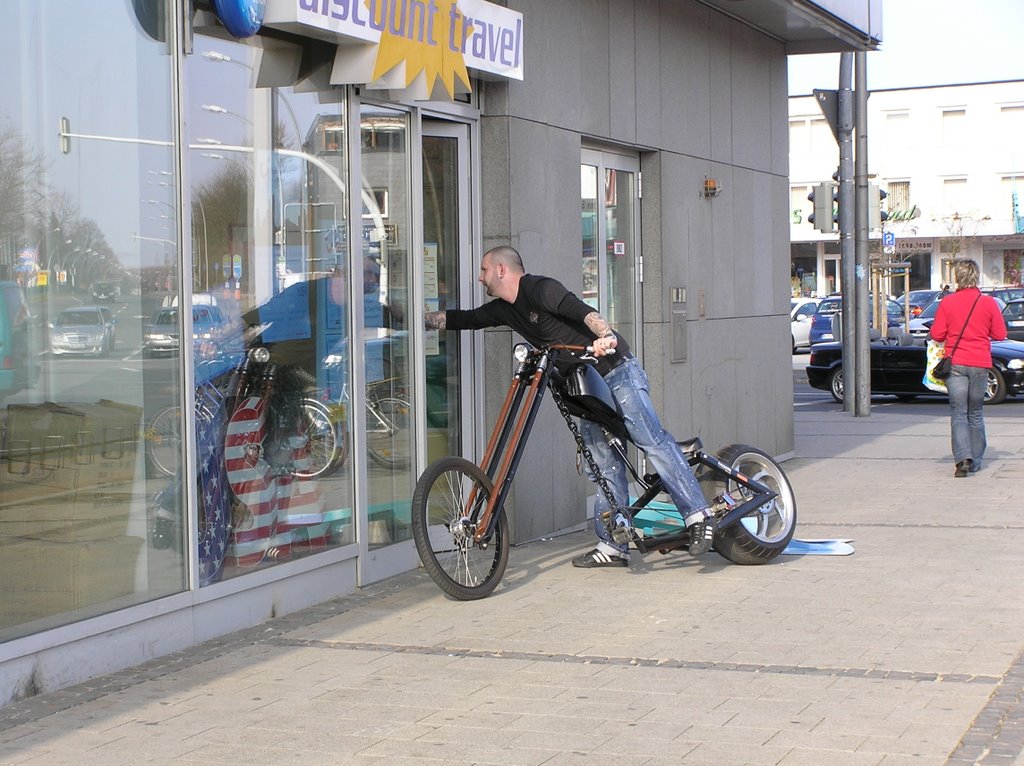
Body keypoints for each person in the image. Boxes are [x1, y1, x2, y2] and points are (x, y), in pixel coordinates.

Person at [425, 245, 714, 568]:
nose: (480, 278)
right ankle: (613, 544)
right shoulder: (505, 309)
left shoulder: (540, 289)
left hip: (614, 370)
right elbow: (466, 318)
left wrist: (606, 337)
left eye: (483, 270)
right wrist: (415, 319)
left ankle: (698, 517)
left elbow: (584, 313)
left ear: (502, 270)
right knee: (602, 462)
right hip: (584, 386)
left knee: (649, 439)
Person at [930, 259, 1006, 478]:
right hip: (980, 363)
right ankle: (976, 460)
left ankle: (963, 458)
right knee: (976, 413)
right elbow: (1000, 334)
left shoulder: (947, 303)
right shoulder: (989, 303)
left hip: (956, 364)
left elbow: (937, 334)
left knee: (958, 413)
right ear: (977, 276)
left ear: (958, 278)